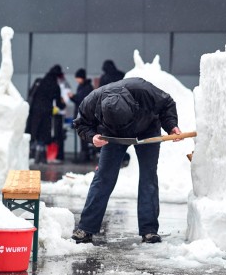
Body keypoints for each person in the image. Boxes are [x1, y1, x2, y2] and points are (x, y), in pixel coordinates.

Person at [71, 77, 181, 244]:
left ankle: (149, 231)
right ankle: (86, 228)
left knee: (148, 177)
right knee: (103, 178)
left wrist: (171, 125)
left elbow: (167, 104)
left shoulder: (143, 90)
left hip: (147, 130)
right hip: (112, 136)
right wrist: (92, 137)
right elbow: (81, 124)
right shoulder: (92, 101)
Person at [27, 65, 65, 164]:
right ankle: (41, 156)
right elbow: (59, 104)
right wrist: (63, 103)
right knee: (43, 134)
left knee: (34, 132)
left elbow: (30, 94)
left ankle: (31, 155)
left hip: (34, 112)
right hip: (46, 113)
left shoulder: (39, 82)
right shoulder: (55, 86)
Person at [99, 60, 130, 167]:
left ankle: (111, 158)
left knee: (110, 136)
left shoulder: (104, 78)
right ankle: (124, 156)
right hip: (122, 109)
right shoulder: (121, 75)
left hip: (109, 111)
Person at [68, 68, 93, 162]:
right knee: (83, 137)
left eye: (78, 78)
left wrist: (72, 97)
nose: (76, 80)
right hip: (81, 115)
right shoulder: (83, 86)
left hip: (84, 115)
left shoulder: (86, 87)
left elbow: (81, 100)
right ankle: (84, 155)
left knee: (84, 137)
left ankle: (84, 156)